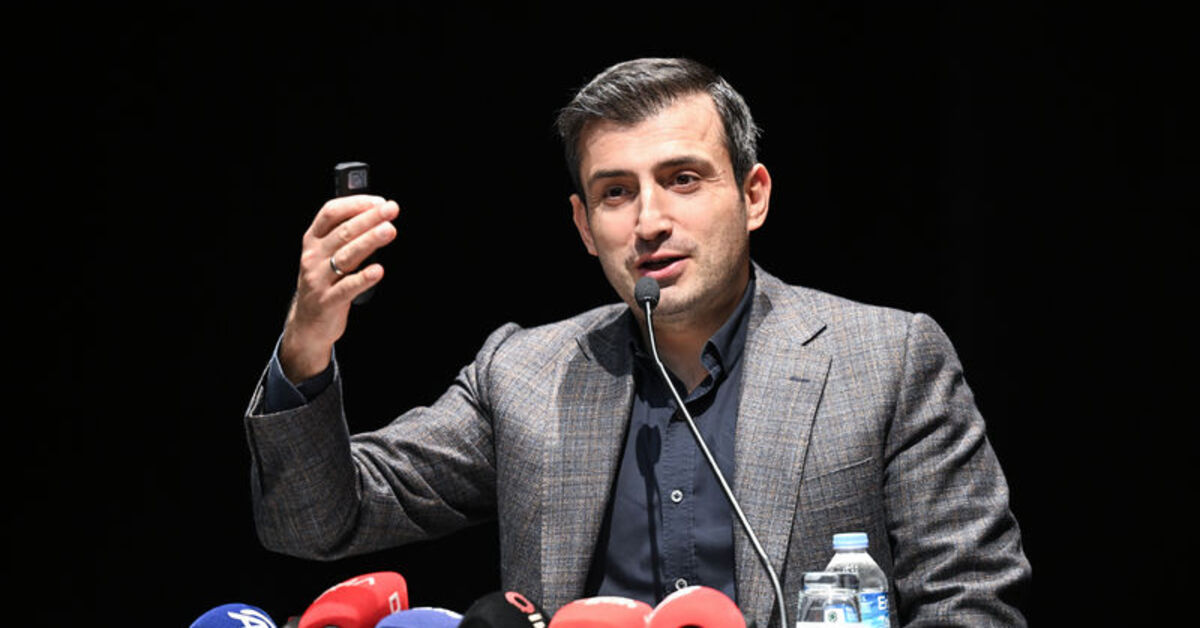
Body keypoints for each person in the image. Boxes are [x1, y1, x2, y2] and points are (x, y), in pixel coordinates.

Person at [244, 58, 1030, 626]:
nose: (650, 221)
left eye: (683, 179)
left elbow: (971, 602)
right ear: (585, 227)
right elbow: (315, 522)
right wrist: (307, 342)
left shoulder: (886, 360)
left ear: (753, 196)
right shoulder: (524, 374)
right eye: (616, 193)